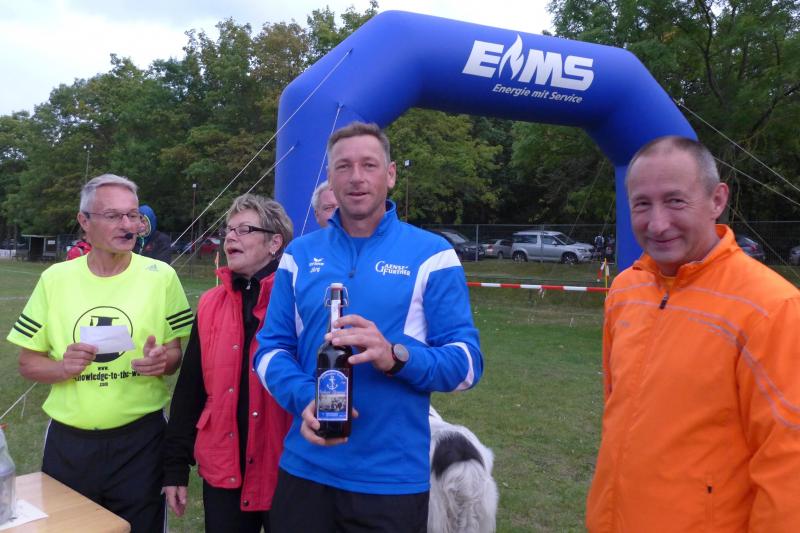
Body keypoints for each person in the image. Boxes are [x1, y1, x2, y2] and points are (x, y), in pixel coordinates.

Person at [254, 122, 483, 532]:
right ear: (330, 179)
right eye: (343, 166)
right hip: (305, 472)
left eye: (369, 165)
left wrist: (395, 356)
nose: (356, 177)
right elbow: (270, 351)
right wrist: (306, 397)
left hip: (391, 482)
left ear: (390, 174)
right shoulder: (298, 255)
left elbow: (467, 365)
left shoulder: (433, 254)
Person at [585, 136, 800, 532]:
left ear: (717, 200)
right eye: (642, 204)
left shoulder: (771, 307)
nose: (657, 223)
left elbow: (789, 465)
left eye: (675, 201)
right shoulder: (626, 289)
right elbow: (617, 414)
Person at [7, 174, 193, 533]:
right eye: (113, 215)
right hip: (70, 444)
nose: (127, 225)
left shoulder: (162, 276)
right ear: (84, 221)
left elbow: (174, 355)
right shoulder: (55, 279)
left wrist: (162, 361)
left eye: (133, 215)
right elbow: (28, 363)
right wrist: (62, 368)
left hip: (142, 442)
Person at [163, 193, 293, 532]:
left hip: (286, 466)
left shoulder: (298, 299)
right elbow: (190, 390)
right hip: (224, 467)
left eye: (244, 229)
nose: (231, 237)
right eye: (228, 230)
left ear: (274, 243)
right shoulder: (210, 303)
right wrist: (175, 466)